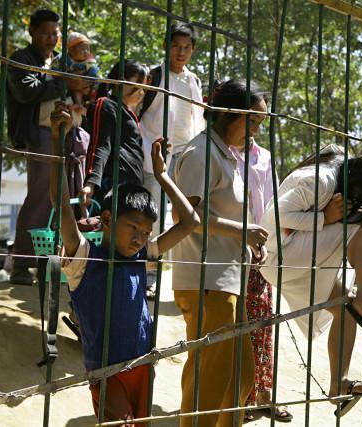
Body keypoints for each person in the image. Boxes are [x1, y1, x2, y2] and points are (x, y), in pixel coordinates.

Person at [49, 102, 199, 425]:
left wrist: (161, 175)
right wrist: (57, 145)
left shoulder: (143, 255)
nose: (140, 238)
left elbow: (191, 221)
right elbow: (61, 205)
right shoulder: (84, 257)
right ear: (106, 219)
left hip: (144, 366)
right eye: (133, 227)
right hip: (108, 373)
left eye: (146, 232)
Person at [259, 144, 362, 408]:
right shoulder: (321, 180)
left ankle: (339, 384)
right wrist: (323, 218)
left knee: (345, 310)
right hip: (278, 257)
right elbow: (273, 217)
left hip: (296, 254)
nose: (361, 201)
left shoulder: (339, 176)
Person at [172, 79, 268, 427]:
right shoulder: (200, 154)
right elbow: (185, 217)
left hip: (227, 280)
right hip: (206, 280)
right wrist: (242, 230)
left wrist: (244, 241)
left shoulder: (226, 154)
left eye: (260, 123)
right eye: (252, 121)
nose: (256, 131)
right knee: (208, 383)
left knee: (239, 376)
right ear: (227, 113)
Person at [6, 8, 89, 285]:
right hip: (41, 133)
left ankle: (51, 262)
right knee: (42, 194)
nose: (51, 38)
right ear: (32, 32)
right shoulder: (22, 58)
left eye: (55, 33)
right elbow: (26, 91)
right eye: (45, 32)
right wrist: (63, 81)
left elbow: (86, 82)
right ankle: (22, 261)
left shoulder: (60, 59)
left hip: (69, 132)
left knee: (68, 196)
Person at [138, 22, 205, 298]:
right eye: (176, 46)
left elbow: (198, 118)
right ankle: (149, 275)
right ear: (167, 46)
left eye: (186, 47)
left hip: (185, 157)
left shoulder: (194, 81)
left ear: (193, 50)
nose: (180, 52)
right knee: (152, 216)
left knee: (188, 216)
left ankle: (187, 276)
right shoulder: (153, 75)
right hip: (154, 154)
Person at [228, 140, 291, 422]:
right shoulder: (220, 152)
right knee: (232, 323)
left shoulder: (264, 158)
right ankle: (238, 399)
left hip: (260, 253)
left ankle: (262, 395)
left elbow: (274, 207)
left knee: (262, 322)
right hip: (227, 251)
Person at [79, 60, 149, 205]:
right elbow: (100, 145)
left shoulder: (128, 112)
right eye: (138, 85)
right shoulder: (105, 104)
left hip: (132, 188)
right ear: (121, 80)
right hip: (113, 186)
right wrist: (91, 183)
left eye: (144, 88)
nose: (141, 92)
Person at [66, 31, 100, 105]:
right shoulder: (67, 61)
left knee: (96, 92)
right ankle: (79, 105)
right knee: (76, 92)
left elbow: (94, 71)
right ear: (71, 51)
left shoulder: (89, 61)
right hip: (76, 86)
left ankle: (93, 105)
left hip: (92, 85)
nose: (86, 52)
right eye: (82, 49)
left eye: (87, 49)